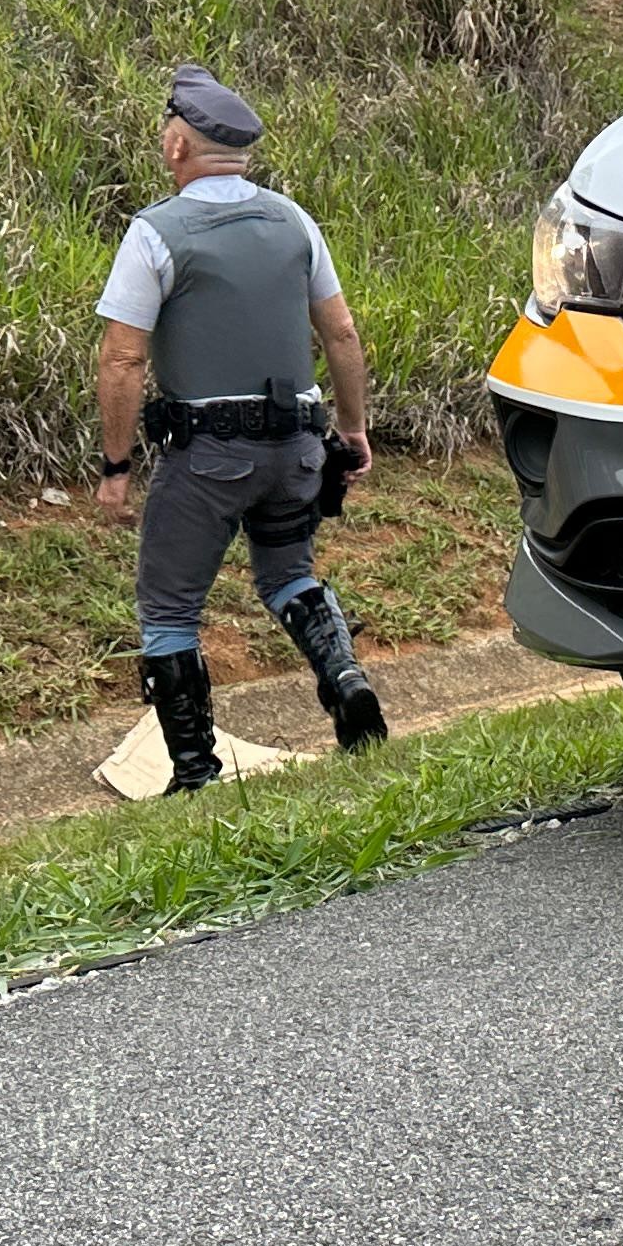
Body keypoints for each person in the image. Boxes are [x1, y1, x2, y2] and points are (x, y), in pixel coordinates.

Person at [93, 68, 387, 786]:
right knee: (288, 573)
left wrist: (116, 466)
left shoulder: (155, 232)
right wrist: (351, 432)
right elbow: (342, 334)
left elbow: (124, 357)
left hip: (208, 456)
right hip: (296, 448)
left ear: (176, 146)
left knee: (168, 608)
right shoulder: (295, 221)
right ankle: (344, 678)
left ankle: (194, 770)